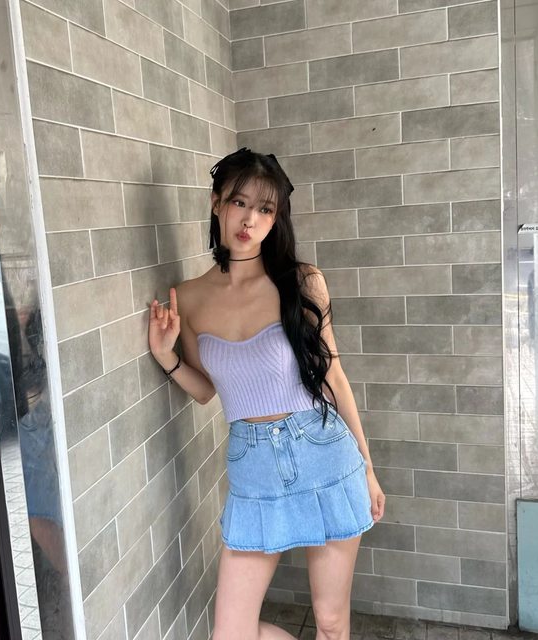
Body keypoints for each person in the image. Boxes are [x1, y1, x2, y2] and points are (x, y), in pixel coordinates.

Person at [148, 147, 385, 640]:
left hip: (323, 453)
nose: (250, 220)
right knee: (231, 634)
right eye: (240, 203)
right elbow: (206, 391)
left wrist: (367, 467)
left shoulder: (302, 282)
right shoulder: (188, 297)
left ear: (276, 219)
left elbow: (334, 377)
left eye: (265, 209)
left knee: (331, 622)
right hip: (252, 469)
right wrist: (166, 356)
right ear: (216, 203)